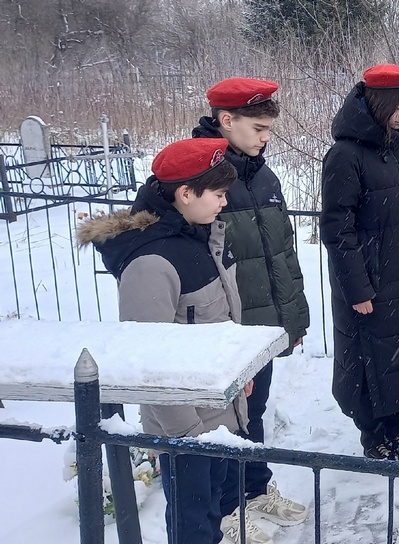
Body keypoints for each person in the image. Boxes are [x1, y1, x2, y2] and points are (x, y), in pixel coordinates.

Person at [76, 138, 251, 544]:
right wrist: (185, 433)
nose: (224, 203)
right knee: (193, 524)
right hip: (186, 428)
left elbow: (219, 319)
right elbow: (148, 361)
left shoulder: (198, 234)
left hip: (220, 412)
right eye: (219, 194)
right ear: (185, 194)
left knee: (215, 514)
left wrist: (239, 373)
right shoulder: (151, 261)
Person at [192, 77, 309, 542]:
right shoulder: (197, 173)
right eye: (258, 128)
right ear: (226, 121)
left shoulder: (263, 174)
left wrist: (290, 320)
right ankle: (225, 512)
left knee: (252, 412)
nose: (266, 138)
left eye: (269, 129)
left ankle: (254, 488)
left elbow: (281, 254)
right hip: (224, 330)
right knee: (223, 422)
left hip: (262, 325)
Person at [321, 63, 399, 462]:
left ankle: (397, 432)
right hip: (369, 281)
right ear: (377, 103)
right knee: (370, 360)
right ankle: (373, 437)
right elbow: (339, 230)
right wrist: (357, 288)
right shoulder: (345, 155)